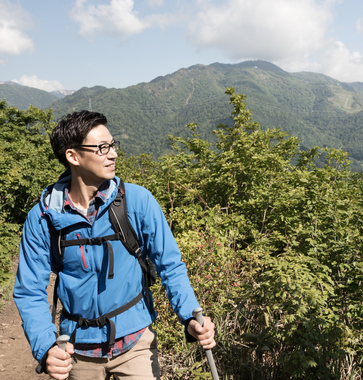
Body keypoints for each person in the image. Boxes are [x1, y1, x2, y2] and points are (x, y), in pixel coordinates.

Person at [13, 111, 215, 379]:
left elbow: (170, 265)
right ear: (73, 156)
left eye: (112, 145)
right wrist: (46, 346)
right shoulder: (43, 218)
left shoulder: (137, 202)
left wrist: (190, 317)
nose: (113, 154)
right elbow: (30, 291)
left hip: (136, 345)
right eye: (102, 148)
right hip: (77, 350)